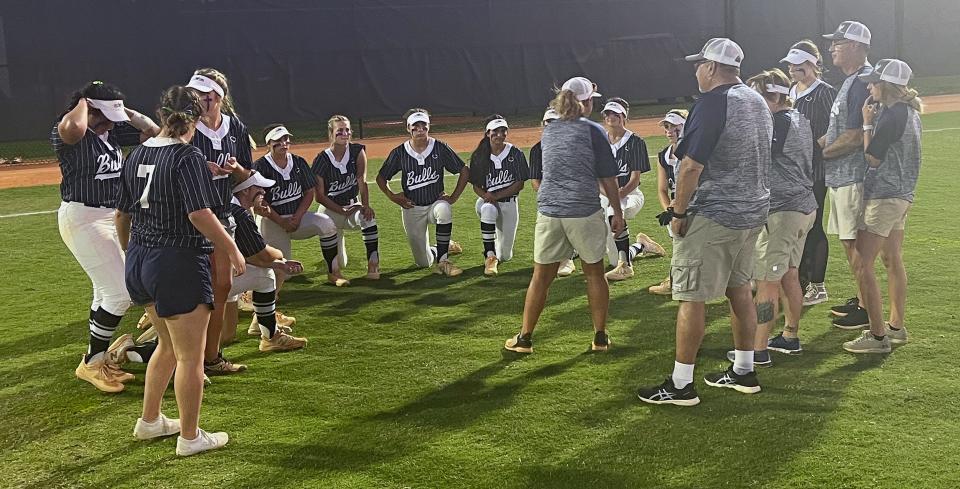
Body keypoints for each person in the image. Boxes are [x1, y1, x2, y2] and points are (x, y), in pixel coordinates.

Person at [636, 38, 772, 406]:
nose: (696, 70)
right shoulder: (757, 100)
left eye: (700, 64)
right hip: (752, 211)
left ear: (712, 67)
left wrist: (678, 213)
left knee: (691, 296)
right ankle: (744, 370)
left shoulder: (713, 102)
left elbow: (691, 166)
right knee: (740, 289)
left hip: (714, 213)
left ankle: (682, 384)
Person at [117, 86, 242, 456]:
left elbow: (122, 214)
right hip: (177, 261)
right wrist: (232, 248)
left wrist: (131, 252)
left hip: (141, 259)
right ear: (197, 116)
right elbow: (199, 214)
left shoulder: (137, 152)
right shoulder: (188, 156)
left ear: (161, 114)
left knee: (169, 346)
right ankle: (190, 438)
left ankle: (150, 421)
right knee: (190, 355)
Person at [52, 80, 160, 392]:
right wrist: (86, 101)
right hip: (83, 216)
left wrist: (120, 109)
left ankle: (97, 358)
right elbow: (71, 127)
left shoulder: (109, 131)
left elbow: (152, 131)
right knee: (120, 291)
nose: (113, 120)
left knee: (105, 291)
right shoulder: (74, 131)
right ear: (90, 109)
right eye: (107, 112)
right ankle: (91, 362)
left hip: (110, 216)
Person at [503, 76, 623, 353]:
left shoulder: (550, 131)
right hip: (582, 209)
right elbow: (608, 177)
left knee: (540, 277)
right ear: (587, 102)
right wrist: (617, 211)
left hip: (550, 210)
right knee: (594, 273)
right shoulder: (593, 131)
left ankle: (524, 338)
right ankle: (600, 337)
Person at [729, 68, 815, 364]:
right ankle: (790, 336)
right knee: (789, 274)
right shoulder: (800, 118)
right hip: (803, 206)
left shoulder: (777, 122)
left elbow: (754, 158)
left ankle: (758, 348)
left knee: (767, 281)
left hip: (783, 211)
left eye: (759, 96)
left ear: (776, 95)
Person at [842, 59, 921, 354]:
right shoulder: (910, 111)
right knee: (892, 260)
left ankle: (877, 337)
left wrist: (865, 123)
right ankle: (896, 328)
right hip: (902, 196)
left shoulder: (893, 114)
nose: (868, 85)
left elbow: (872, 158)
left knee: (863, 262)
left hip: (885, 196)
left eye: (873, 81)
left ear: (886, 84)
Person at [185, 68, 253, 376]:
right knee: (200, 290)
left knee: (221, 286)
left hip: (223, 212)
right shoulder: (186, 126)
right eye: (195, 95)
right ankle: (195, 358)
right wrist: (203, 169)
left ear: (219, 97)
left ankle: (208, 357)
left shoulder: (235, 126)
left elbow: (246, 174)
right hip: (190, 217)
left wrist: (236, 169)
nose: (199, 100)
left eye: (206, 95)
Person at [819, 21, 874, 328]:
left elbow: (853, 136)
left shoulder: (862, 79)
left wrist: (819, 155)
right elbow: (837, 132)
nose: (832, 48)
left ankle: (867, 308)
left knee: (856, 245)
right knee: (850, 243)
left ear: (855, 45)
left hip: (854, 175)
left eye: (838, 43)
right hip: (843, 176)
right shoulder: (852, 79)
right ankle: (862, 298)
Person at [376, 108, 468, 276]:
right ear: (408, 128)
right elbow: (381, 177)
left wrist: (453, 197)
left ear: (428, 126)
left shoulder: (439, 147)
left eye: (423, 125)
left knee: (444, 209)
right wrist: (393, 196)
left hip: (435, 202)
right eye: (415, 126)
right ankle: (442, 247)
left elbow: (464, 170)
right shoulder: (400, 152)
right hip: (412, 207)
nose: (420, 129)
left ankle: (443, 261)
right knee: (423, 262)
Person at [224, 168, 308, 352]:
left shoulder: (229, 205)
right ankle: (270, 335)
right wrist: (279, 261)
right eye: (259, 189)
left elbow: (247, 254)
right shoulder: (239, 213)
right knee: (267, 275)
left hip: (210, 274)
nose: (263, 192)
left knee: (225, 335)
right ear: (245, 190)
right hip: (211, 280)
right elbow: (261, 256)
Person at [782, 40, 839, 306]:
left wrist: (812, 147)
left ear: (813, 64)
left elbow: (836, 128)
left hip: (814, 170)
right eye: (792, 65)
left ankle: (817, 285)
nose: (794, 69)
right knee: (795, 227)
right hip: (792, 171)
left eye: (799, 65)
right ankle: (799, 281)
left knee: (813, 225)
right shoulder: (791, 90)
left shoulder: (826, 92)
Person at [254, 125, 346, 287]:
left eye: (286, 139)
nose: (284, 143)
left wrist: (297, 217)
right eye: (279, 140)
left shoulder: (298, 162)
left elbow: (309, 192)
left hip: (297, 217)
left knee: (326, 223)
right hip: (272, 222)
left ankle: (334, 273)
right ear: (269, 143)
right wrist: (281, 221)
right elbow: (259, 201)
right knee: (284, 274)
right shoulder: (260, 166)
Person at [599, 97, 664, 281]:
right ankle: (641, 246)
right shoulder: (599, 142)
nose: (611, 117)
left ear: (624, 116)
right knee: (613, 259)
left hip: (629, 195)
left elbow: (635, 179)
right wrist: (609, 194)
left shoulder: (636, 142)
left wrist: (616, 196)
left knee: (613, 211)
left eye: (616, 113)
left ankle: (625, 267)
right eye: (608, 113)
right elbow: (596, 177)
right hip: (605, 195)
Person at [312, 115, 380, 280]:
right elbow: (319, 197)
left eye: (347, 130)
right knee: (340, 262)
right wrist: (340, 210)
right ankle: (333, 273)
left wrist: (365, 205)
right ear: (331, 133)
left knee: (368, 218)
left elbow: (361, 181)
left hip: (351, 206)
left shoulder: (357, 151)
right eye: (340, 130)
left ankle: (373, 266)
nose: (344, 133)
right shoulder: (321, 159)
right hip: (330, 210)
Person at [468, 115, 529, 276]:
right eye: (495, 131)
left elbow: (519, 184)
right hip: (487, 203)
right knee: (488, 209)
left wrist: (496, 195)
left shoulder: (515, 153)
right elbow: (475, 185)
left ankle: (496, 251)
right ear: (488, 133)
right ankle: (489, 255)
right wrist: (487, 196)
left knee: (506, 256)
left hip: (508, 203)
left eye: (503, 131)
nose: (499, 135)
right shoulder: (480, 155)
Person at [529, 107, 578, 278]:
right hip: (549, 197)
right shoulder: (537, 149)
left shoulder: (573, 146)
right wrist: (550, 195)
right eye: (548, 122)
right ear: (542, 124)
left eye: (555, 122)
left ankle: (567, 259)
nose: (551, 125)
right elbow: (535, 180)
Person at [648, 109, 688, 296]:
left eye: (674, 126)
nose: (669, 130)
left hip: (694, 206)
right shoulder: (664, 155)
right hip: (676, 209)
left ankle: (676, 280)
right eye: (667, 126)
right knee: (679, 244)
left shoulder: (692, 150)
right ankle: (676, 279)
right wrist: (669, 211)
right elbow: (662, 189)